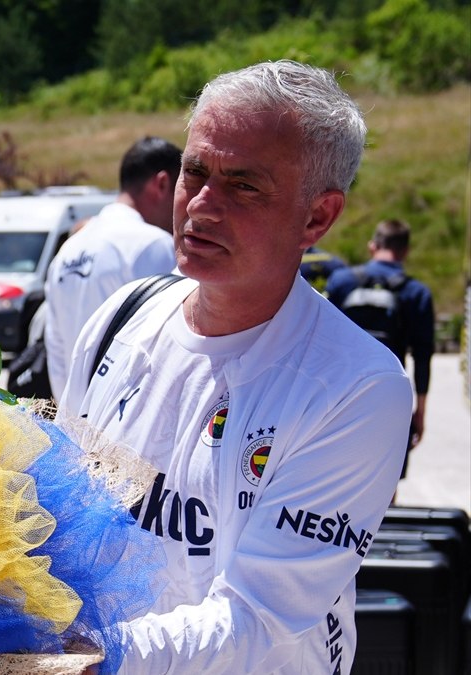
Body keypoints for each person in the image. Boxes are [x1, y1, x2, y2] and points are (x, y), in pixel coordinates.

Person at [55, 60, 412, 673]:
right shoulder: (123, 316)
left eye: (244, 185)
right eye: (194, 172)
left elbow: (258, 619)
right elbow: (57, 518)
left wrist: (92, 656)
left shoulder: (357, 388)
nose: (201, 205)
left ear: (318, 218)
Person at [44, 136, 182, 397]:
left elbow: (56, 349)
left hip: (73, 419)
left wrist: (70, 416)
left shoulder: (68, 250)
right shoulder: (152, 244)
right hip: (126, 422)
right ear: (162, 183)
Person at [326, 218, 435, 464]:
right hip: (391, 401)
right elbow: (423, 357)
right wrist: (420, 412)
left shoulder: (341, 282)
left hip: (338, 400)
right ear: (405, 251)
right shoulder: (417, 294)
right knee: (384, 483)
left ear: (372, 246)